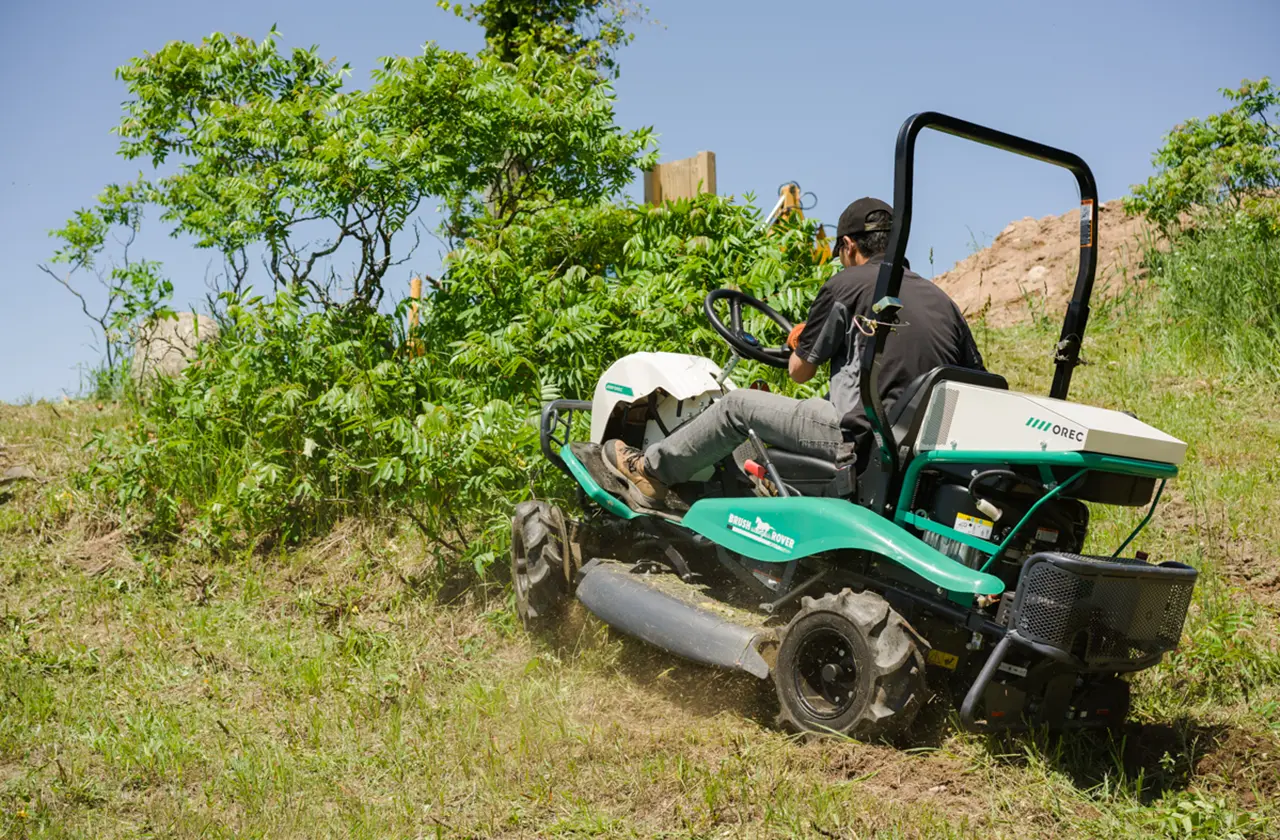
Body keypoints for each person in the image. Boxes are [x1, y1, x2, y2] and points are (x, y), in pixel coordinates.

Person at [604, 197, 986, 508]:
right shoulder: (943, 301)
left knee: (737, 406)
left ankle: (650, 471)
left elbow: (800, 371)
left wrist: (798, 344)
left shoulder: (847, 284)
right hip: (920, 444)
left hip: (860, 438)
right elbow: (976, 379)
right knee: (808, 404)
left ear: (849, 245)